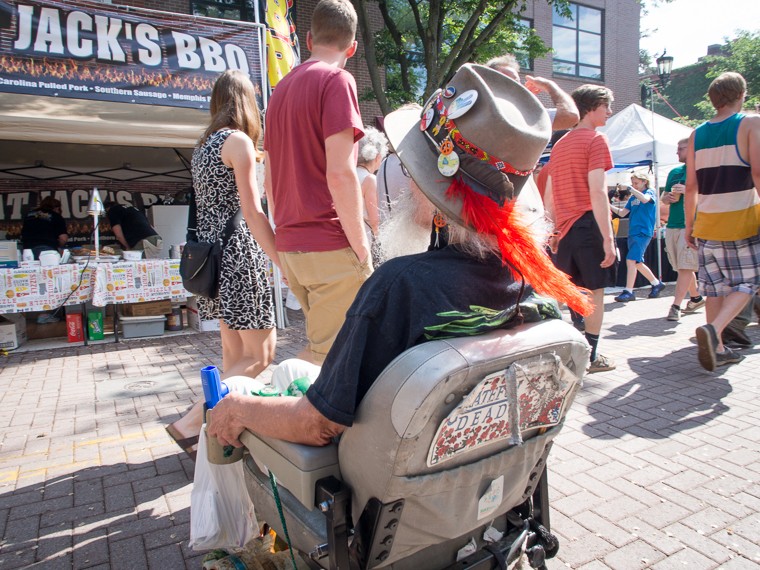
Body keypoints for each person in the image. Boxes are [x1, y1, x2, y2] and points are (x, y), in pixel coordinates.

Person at [206, 63, 592, 449]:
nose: (409, 182)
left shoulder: (399, 286)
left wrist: (237, 408)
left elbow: (315, 424)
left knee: (234, 397)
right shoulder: (531, 284)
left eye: (415, 169)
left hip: (382, 475)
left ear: (442, 191)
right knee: (291, 368)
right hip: (488, 468)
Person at [264, 0, 372, 365]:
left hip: (292, 244)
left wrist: (284, 238)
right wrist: (361, 248)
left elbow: (270, 181)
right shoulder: (337, 80)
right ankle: (244, 398)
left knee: (323, 353)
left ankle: (258, 393)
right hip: (329, 244)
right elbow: (340, 173)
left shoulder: (280, 90)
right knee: (331, 361)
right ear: (352, 48)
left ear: (308, 39)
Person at [685, 71, 760, 371]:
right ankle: (713, 330)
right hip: (740, 220)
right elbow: (758, 172)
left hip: (706, 222)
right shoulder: (750, 123)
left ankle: (716, 348)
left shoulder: (697, 134)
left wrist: (689, 224)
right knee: (750, 282)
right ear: (741, 94)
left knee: (714, 288)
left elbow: (691, 186)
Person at [543, 84, 618, 374]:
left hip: (565, 228)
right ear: (592, 107)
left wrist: (554, 231)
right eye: (606, 106)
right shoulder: (596, 139)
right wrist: (609, 239)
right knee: (595, 293)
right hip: (588, 224)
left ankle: (572, 350)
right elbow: (598, 191)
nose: (609, 112)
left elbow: (550, 194)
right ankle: (591, 357)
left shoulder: (559, 144)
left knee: (571, 293)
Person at [661, 137, 705, 321]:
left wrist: (688, 190)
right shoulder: (675, 172)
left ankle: (676, 306)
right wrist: (667, 198)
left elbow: (708, 196)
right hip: (672, 225)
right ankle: (696, 298)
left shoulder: (702, 170)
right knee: (681, 268)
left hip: (691, 226)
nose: (677, 152)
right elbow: (664, 198)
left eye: (681, 148)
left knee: (686, 266)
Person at [610, 173, 665, 302]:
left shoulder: (650, 192)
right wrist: (608, 205)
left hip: (643, 231)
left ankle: (629, 291)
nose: (634, 185)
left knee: (631, 260)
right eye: (633, 183)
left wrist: (630, 188)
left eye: (636, 183)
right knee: (637, 262)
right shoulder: (633, 197)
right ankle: (656, 283)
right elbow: (622, 213)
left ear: (644, 182)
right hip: (633, 232)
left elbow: (645, 200)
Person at [486, 54, 579, 130]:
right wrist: (550, 86)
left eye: (516, 82)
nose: (514, 86)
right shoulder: (524, 114)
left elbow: (570, 116)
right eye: (506, 81)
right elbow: (570, 115)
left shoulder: (525, 113)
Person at [356, 126, 389, 242]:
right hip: (363, 236)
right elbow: (374, 220)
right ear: (377, 157)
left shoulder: (349, 175)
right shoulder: (370, 179)